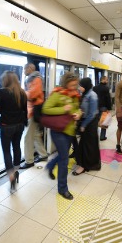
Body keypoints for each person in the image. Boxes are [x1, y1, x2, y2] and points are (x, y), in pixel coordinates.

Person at [43, 72, 81, 200]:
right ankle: (63, 189)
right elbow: (46, 109)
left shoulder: (75, 95)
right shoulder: (57, 93)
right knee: (64, 159)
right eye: (72, 84)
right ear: (66, 82)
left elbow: (77, 108)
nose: (75, 86)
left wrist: (78, 113)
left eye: (76, 84)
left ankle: (50, 166)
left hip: (70, 131)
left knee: (62, 155)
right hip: (59, 131)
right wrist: (63, 109)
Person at [0, 71, 27, 193]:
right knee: (16, 147)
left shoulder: (2, 92)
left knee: (6, 150)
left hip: (6, 126)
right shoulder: (22, 93)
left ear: (6, 80)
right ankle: (16, 171)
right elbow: (25, 110)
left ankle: (11, 177)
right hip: (19, 125)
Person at [20, 63, 48, 169]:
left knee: (28, 137)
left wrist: (22, 93)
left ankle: (29, 161)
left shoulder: (36, 79)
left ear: (30, 68)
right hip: (33, 110)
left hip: (32, 111)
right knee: (36, 134)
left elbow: (33, 94)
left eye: (24, 69)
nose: (24, 71)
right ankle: (43, 154)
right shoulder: (34, 78)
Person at [73, 77, 100, 175]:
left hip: (90, 123)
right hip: (86, 121)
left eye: (81, 86)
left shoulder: (92, 95)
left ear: (85, 86)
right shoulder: (85, 94)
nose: (79, 88)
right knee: (86, 145)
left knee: (86, 145)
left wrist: (83, 125)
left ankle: (83, 166)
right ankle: (86, 163)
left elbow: (92, 114)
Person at [93, 75, 112, 141]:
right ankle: (102, 136)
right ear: (103, 80)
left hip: (96, 107)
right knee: (104, 122)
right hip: (103, 107)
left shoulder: (95, 88)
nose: (107, 81)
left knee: (96, 121)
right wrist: (109, 108)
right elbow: (108, 99)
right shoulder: (106, 88)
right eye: (106, 80)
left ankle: (94, 136)